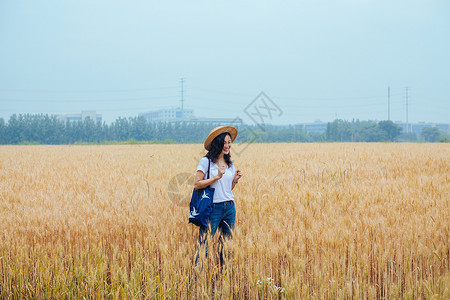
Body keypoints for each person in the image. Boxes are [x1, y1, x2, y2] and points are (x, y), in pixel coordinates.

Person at [194, 126, 243, 266]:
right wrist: (216, 177)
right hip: (212, 208)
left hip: (229, 207)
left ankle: (225, 282)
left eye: (229, 142)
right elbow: (197, 184)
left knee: (226, 247)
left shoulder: (230, 163)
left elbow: (228, 189)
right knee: (204, 247)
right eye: (225, 143)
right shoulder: (206, 162)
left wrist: (235, 180)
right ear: (217, 143)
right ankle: (197, 281)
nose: (227, 146)